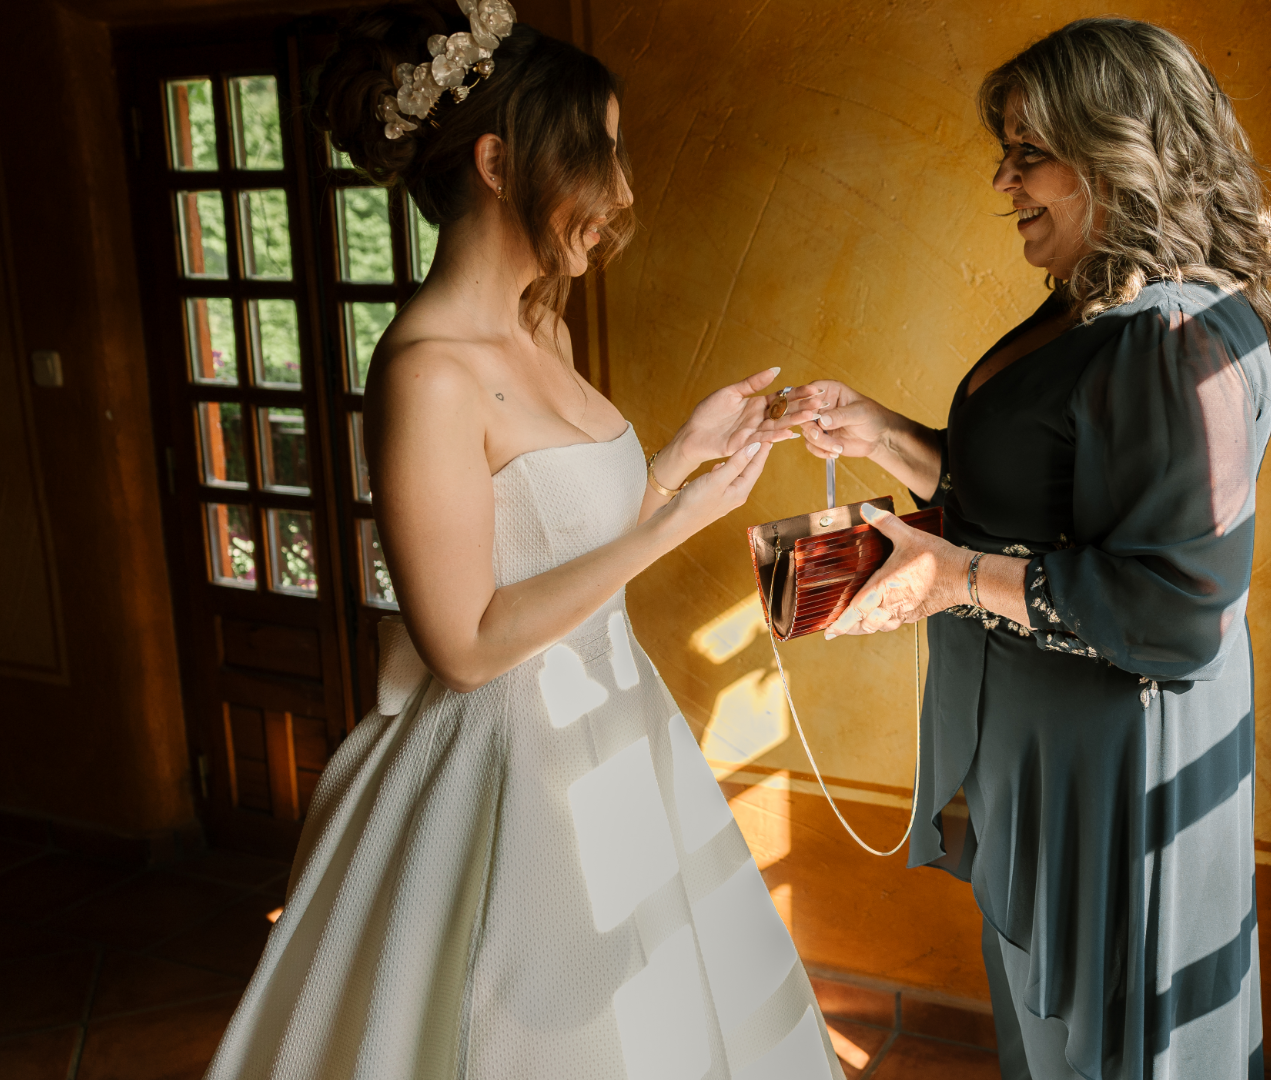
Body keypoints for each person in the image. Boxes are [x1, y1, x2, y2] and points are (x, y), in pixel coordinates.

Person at [204, 4, 840, 1078]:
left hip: (617, 733)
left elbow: (558, 537)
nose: (624, 192)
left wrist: (676, 461)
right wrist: (674, 526)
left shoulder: (540, 323)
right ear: (499, 161)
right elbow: (468, 641)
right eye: (600, 153)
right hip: (509, 765)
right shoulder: (427, 373)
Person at [768, 18, 1271, 1080]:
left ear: (1117, 149)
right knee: (1050, 1037)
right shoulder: (1099, 307)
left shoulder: (1170, 339)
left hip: (1112, 766)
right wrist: (884, 434)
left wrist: (949, 575)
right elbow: (1038, 497)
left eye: (1028, 151)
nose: (1003, 178)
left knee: (1102, 1042)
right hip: (1052, 747)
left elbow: (1177, 614)